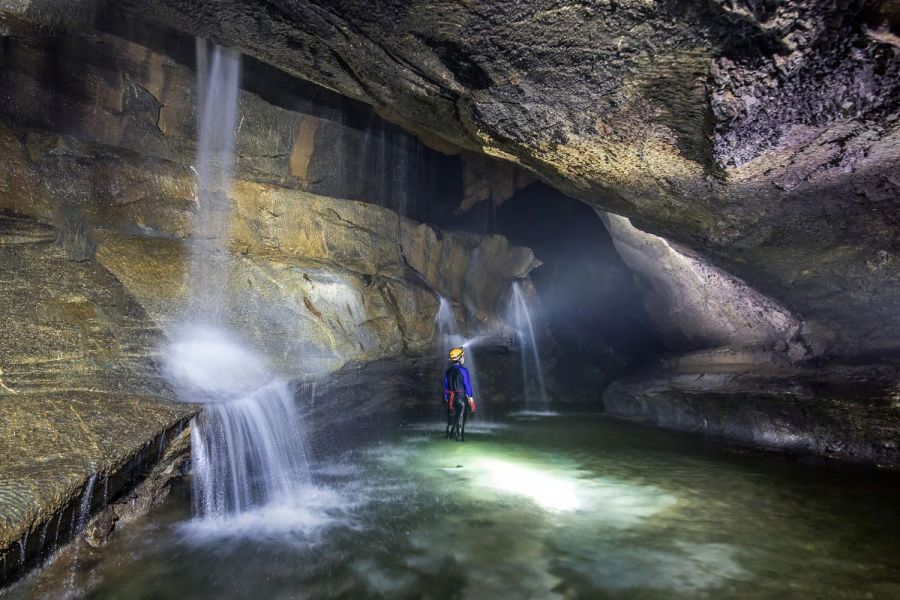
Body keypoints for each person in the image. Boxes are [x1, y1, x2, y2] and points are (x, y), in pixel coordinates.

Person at [443, 347, 476, 441]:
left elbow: (445, 386)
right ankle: (460, 439)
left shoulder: (448, 371)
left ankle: (447, 439)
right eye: (463, 356)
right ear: (459, 358)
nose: (464, 358)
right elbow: (467, 384)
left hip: (450, 399)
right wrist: (471, 399)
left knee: (450, 423)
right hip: (461, 398)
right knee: (460, 422)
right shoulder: (463, 370)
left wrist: (446, 398)